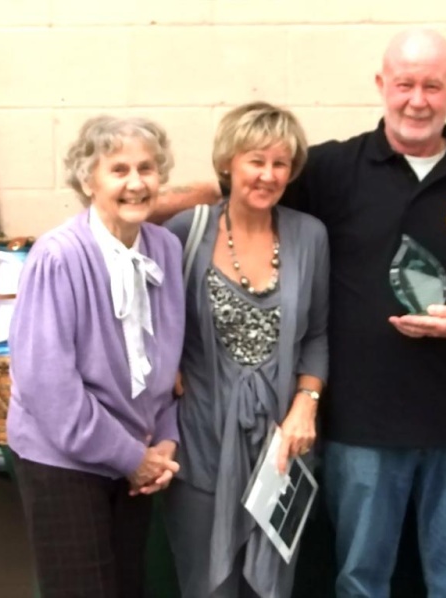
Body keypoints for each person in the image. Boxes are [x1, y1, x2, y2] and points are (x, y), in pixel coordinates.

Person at [155, 28, 446, 598]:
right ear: (381, 85)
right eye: (404, 84)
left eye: (432, 85)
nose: (417, 99)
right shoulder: (330, 169)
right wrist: (138, 200)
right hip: (360, 428)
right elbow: (250, 187)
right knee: (360, 581)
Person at [6, 115, 185, 598]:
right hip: (64, 462)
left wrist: (164, 441)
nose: (136, 183)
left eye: (147, 169)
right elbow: (50, 389)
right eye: (119, 170)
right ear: (89, 180)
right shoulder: (58, 257)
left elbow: (167, 366)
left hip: (135, 459)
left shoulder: (165, 250)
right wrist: (134, 458)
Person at [161, 101, 329, 598]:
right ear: (228, 164)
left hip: (280, 447)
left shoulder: (309, 235)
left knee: (272, 588)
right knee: (205, 587)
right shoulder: (185, 232)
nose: (268, 174)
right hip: (200, 441)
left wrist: (306, 404)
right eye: (256, 160)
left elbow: (318, 335)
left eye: (280, 163)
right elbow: (144, 312)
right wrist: (162, 363)